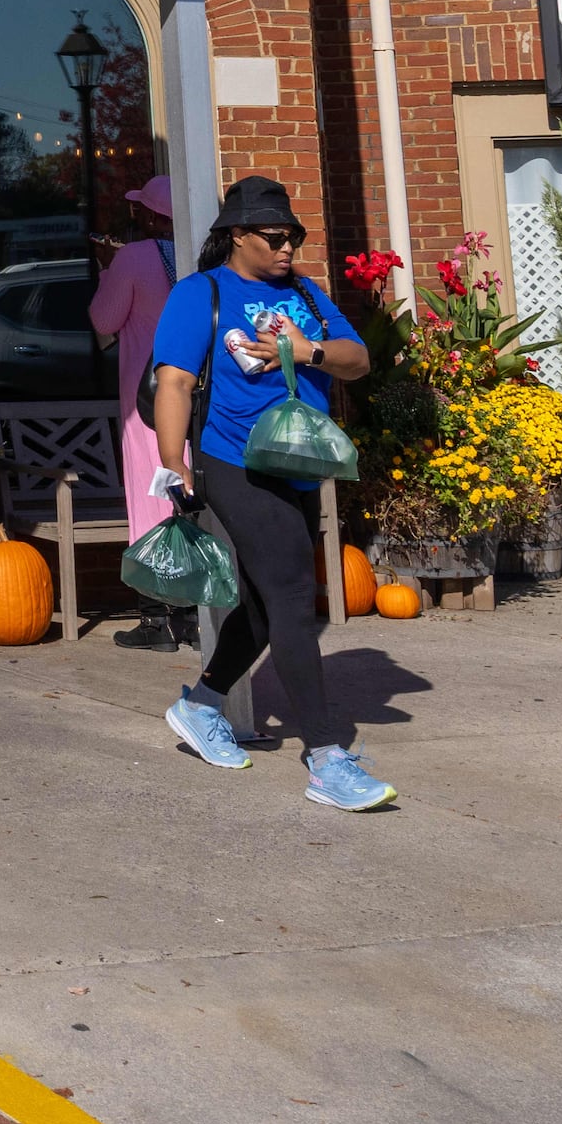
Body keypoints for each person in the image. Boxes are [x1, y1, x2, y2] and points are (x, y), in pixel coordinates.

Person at [148, 176, 396, 811]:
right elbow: (173, 382)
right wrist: (173, 461)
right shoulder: (200, 293)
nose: (288, 247)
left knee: (263, 604)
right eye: (274, 236)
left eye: (293, 236)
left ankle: (200, 706)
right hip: (232, 460)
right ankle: (325, 758)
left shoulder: (306, 293)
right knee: (291, 593)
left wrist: (305, 348)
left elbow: (358, 359)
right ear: (238, 236)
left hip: (299, 462)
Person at [87, 175, 182, 651]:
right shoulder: (199, 259)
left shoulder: (133, 257)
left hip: (145, 402)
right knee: (186, 496)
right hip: (193, 397)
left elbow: (104, 320)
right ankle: (189, 616)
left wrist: (108, 268)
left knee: (150, 498)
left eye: (141, 210)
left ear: (149, 216)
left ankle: (154, 619)